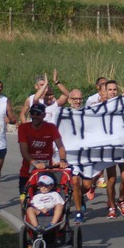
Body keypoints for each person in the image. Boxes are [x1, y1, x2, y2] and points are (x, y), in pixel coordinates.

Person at [17, 103, 68, 198]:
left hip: (46, 170)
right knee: (25, 200)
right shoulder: (23, 128)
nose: (35, 116)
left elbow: (60, 146)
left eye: (38, 113)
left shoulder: (51, 127)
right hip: (27, 171)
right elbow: (24, 151)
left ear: (44, 115)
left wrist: (62, 160)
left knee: (48, 200)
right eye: (33, 113)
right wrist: (35, 163)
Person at [63, 89, 94, 223]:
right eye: (74, 98)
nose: (77, 101)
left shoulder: (88, 113)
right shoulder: (63, 114)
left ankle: (78, 196)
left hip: (86, 156)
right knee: (75, 181)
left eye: (80, 98)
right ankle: (78, 212)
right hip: (72, 157)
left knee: (87, 186)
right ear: (69, 100)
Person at [104, 80, 124, 218]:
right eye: (110, 89)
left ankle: (121, 201)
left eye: (115, 89)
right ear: (105, 91)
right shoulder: (100, 107)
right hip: (109, 147)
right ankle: (111, 205)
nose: (113, 92)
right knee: (112, 179)